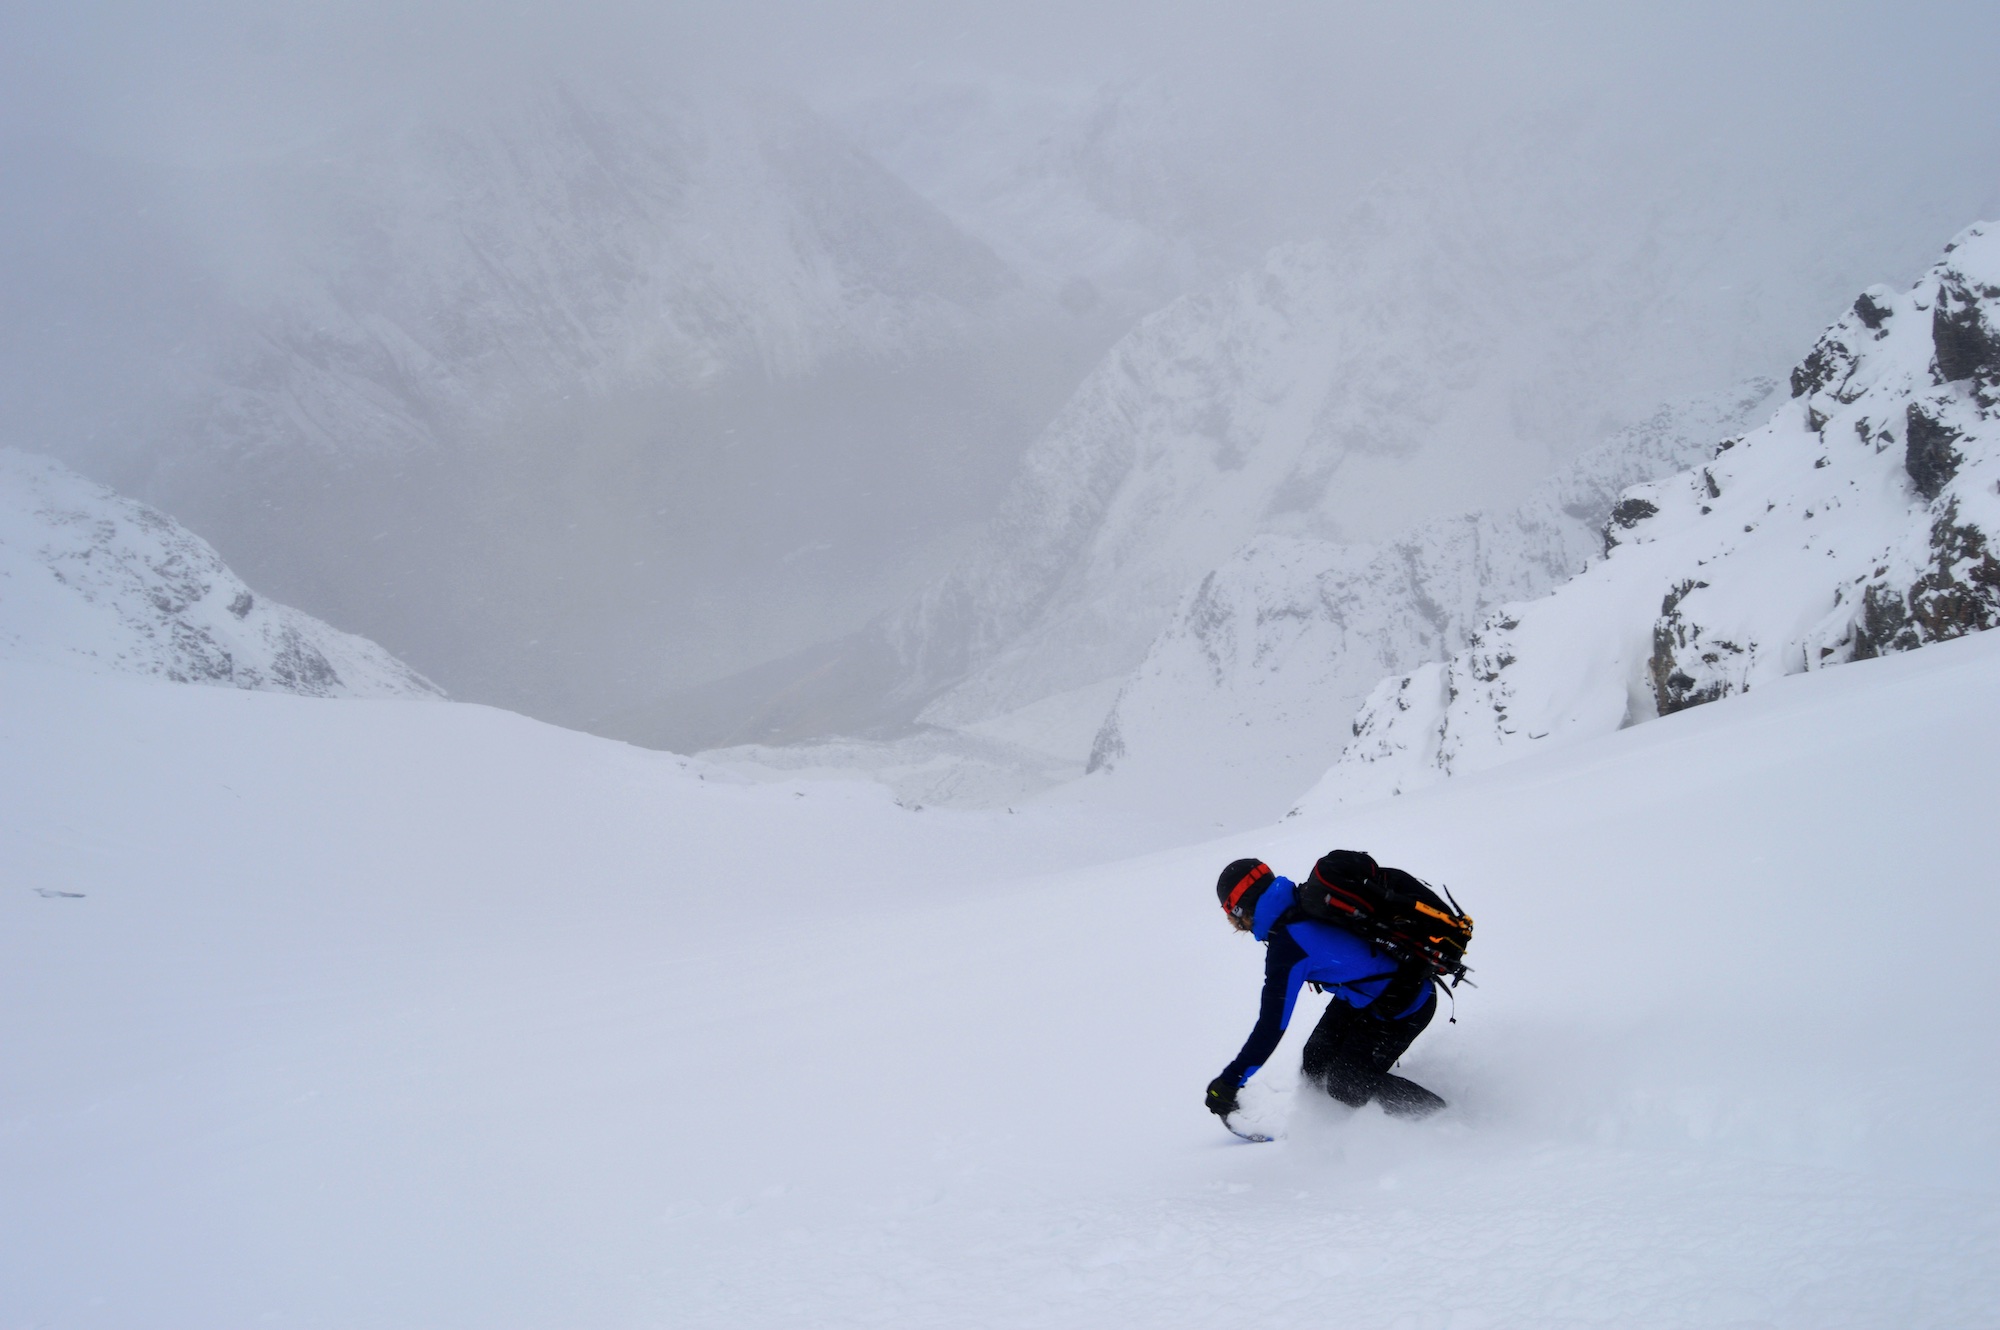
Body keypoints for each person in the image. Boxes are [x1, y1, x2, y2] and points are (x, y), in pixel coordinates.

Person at [1205, 857, 1447, 1124]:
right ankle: (1334, 1125)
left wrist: (1230, 1080)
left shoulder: (1287, 947)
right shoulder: (1304, 900)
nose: (1242, 930)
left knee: (1347, 1083)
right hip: (1369, 995)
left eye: (1234, 921)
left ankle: (1441, 1120)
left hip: (1405, 1003)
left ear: (1241, 911)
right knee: (1316, 1063)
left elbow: (1271, 1026)